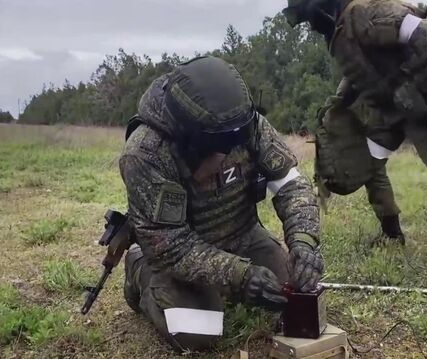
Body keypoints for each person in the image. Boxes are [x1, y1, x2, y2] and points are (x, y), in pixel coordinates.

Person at [282, 0, 427, 285]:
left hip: (425, 101)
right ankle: (392, 233)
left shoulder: (363, 14)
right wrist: (338, 101)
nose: (311, 26)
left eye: (309, 18)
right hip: (391, 108)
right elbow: (361, 68)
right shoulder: (342, 30)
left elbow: (423, 31)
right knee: (372, 165)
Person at [120, 56, 323, 351]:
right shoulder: (146, 153)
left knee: (293, 292)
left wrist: (303, 242)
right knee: (198, 333)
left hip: (243, 235)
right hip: (177, 255)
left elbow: (291, 185)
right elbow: (172, 246)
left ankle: (228, 284)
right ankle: (140, 270)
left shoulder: (244, 122)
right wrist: (239, 275)